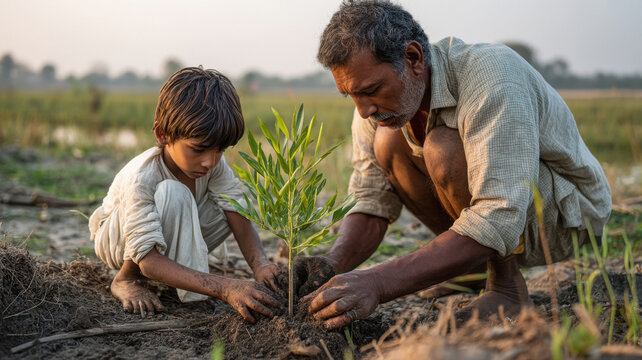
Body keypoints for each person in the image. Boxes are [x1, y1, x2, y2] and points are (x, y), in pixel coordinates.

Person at [297, 0, 612, 330]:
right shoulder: (380, 108)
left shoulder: (491, 77)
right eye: (351, 96)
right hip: (508, 215)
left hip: (567, 215)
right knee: (387, 142)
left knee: (441, 148)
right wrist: (331, 266)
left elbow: (499, 215)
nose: (363, 110)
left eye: (371, 90)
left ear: (414, 59)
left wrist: (376, 283)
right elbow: (372, 198)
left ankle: (506, 288)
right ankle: (470, 268)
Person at [89, 67, 282, 322]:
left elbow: (239, 217)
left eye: (220, 150)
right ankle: (126, 278)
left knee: (235, 204)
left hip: (160, 235)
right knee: (174, 193)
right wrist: (225, 288)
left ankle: (177, 275)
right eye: (198, 149)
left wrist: (260, 265)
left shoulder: (212, 166)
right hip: (118, 240)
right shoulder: (143, 177)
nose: (210, 162)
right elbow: (147, 260)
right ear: (162, 135)